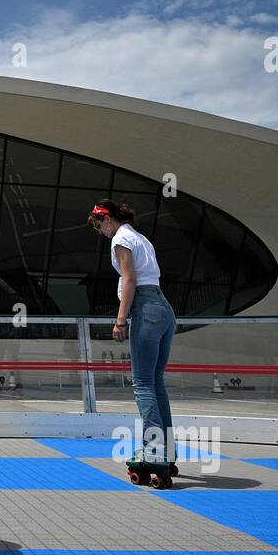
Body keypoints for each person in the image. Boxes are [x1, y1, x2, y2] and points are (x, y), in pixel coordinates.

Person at [88, 199, 178, 475]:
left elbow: (129, 280)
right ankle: (167, 451)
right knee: (156, 382)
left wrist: (120, 320)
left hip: (145, 308)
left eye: (98, 225)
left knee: (142, 384)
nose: (100, 231)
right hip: (164, 308)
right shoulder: (141, 238)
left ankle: (154, 453)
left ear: (108, 219)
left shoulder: (121, 240)